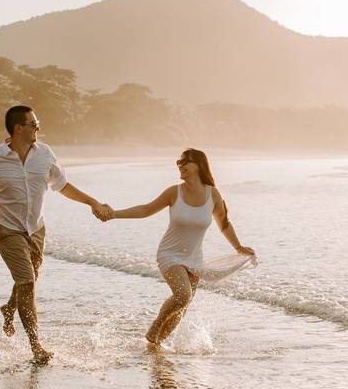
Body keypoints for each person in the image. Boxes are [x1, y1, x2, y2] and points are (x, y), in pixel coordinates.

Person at [0, 105, 113, 364]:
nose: (38, 128)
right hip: (6, 229)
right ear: (18, 128)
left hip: (36, 229)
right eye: (34, 123)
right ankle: (36, 346)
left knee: (28, 279)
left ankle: (10, 308)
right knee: (28, 283)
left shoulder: (45, 154)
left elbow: (63, 186)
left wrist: (93, 203)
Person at [101, 148, 255, 351]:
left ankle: (157, 345)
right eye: (179, 162)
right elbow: (146, 210)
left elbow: (224, 223)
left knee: (183, 305)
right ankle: (154, 332)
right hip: (169, 255)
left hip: (194, 258)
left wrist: (238, 247)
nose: (181, 166)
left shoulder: (213, 194)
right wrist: (114, 214)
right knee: (183, 295)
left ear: (199, 165)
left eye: (186, 162)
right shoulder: (174, 192)